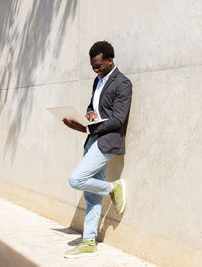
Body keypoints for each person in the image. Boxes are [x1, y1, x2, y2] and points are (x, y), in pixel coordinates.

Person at [62, 41, 132, 259]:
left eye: (99, 65)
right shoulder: (98, 81)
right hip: (92, 139)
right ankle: (89, 241)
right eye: (93, 66)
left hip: (107, 141)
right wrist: (87, 117)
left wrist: (91, 126)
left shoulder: (123, 83)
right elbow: (94, 107)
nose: (96, 69)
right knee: (91, 195)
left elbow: (119, 119)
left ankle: (112, 188)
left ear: (110, 60)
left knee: (76, 179)